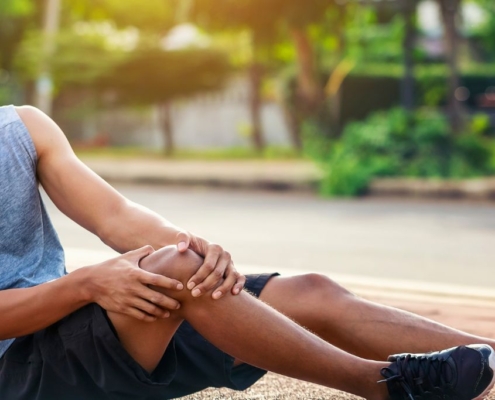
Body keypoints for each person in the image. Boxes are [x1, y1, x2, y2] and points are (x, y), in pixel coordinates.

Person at [0, 104, 493, 400]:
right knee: (173, 272)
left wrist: (193, 246)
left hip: (73, 331)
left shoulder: (22, 129)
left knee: (309, 292)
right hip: (16, 373)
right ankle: (384, 385)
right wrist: (85, 283)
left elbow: (116, 216)